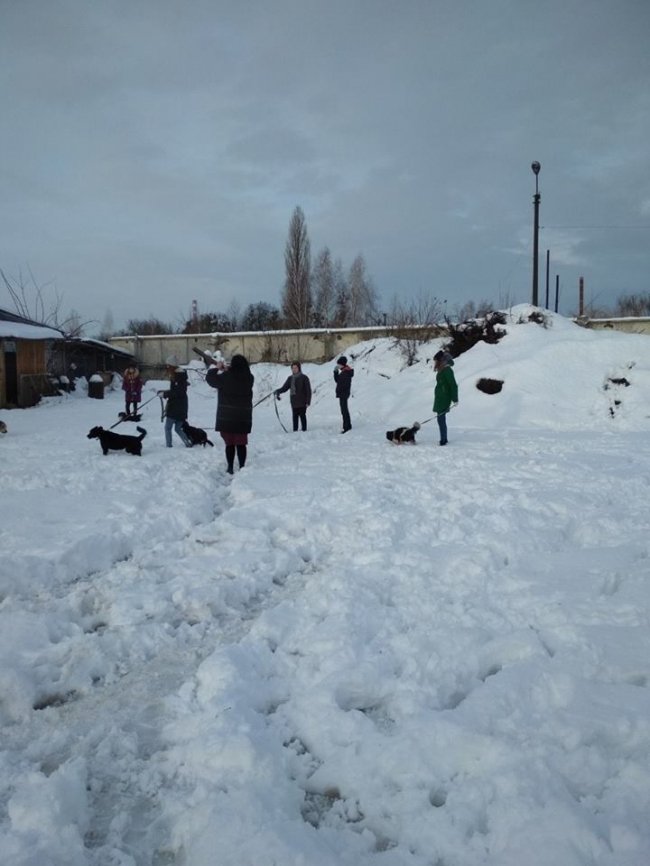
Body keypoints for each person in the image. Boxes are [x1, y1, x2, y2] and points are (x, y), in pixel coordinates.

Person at [206, 353, 254, 474]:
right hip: (243, 417)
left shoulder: (226, 377)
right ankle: (242, 467)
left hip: (227, 416)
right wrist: (228, 370)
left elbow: (211, 379)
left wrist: (217, 367)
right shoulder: (249, 378)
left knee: (230, 444)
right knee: (241, 443)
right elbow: (238, 376)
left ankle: (230, 467)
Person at [158, 356, 193, 448]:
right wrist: (164, 392)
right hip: (181, 406)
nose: (167, 367)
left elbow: (177, 392)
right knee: (177, 428)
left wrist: (165, 394)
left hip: (176, 407)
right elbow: (175, 391)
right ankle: (188, 443)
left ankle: (168, 446)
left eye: (168, 366)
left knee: (168, 428)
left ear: (172, 366)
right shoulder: (179, 376)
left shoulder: (178, 377)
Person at [275, 361, 312, 432]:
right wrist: (278, 391)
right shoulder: (290, 378)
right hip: (294, 401)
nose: (294, 369)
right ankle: (295, 431)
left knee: (302, 416)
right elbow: (284, 388)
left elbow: (308, 391)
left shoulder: (304, 378)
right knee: (294, 417)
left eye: (296, 368)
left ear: (299, 368)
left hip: (302, 401)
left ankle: (304, 430)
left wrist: (308, 401)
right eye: (293, 368)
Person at [432, 349, 458, 446]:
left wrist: (455, 399)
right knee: (440, 419)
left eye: (436, 361)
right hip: (440, 397)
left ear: (441, 360)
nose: (435, 363)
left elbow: (453, 385)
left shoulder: (447, 370)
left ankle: (443, 439)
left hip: (444, 398)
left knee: (441, 419)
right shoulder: (442, 369)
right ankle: (443, 438)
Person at [333, 355, 354, 433]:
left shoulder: (346, 372)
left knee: (344, 411)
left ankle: (347, 427)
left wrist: (339, 391)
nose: (338, 365)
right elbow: (338, 380)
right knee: (344, 410)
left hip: (344, 394)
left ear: (342, 364)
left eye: (339, 364)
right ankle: (347, 425)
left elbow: (340, 382)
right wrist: (335, 372)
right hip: (343, 394)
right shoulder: (345, 371)